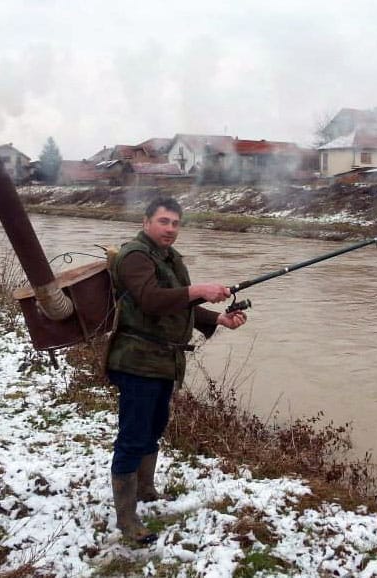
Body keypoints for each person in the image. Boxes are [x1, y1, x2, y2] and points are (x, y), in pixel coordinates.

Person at [105, 196, 247, 545]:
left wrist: (219, 319)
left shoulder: (169, 258)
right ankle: (126, 521)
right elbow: (152, 301)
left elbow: (178, 307)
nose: (170, 229)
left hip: (163, 362)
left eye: (175, 223)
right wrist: (198, 289)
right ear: (146, 221)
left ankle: (146, 490)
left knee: (154, 429)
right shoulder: (135, 256)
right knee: (133, 436)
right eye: (164, 221)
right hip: (137, 361)